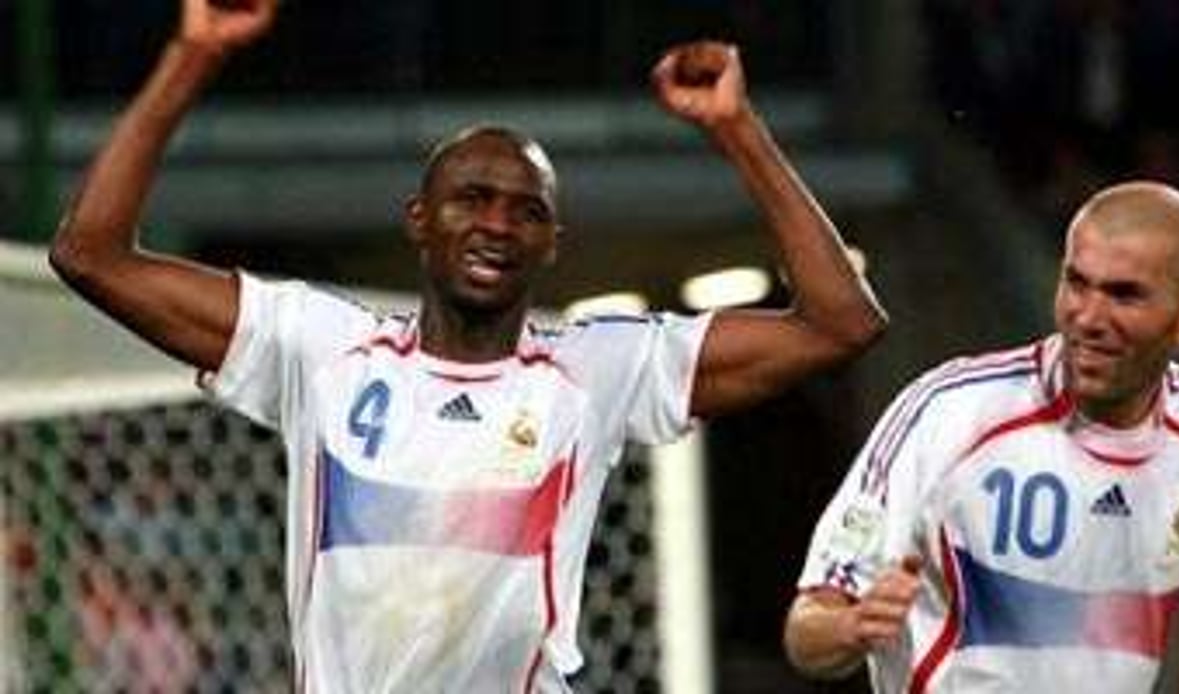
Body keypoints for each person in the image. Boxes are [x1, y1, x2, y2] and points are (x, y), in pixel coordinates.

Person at [49, 0, 887, 690]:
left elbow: (840, 322)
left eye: (526, 210)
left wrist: (736, 127)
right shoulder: (319, 348)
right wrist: (191, 56)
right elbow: (89, 256)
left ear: (550, 241)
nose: (496, 222)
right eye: (472, 198)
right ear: (419, 220)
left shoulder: (596, 369)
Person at [784, 180, 1179, 693]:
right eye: (1077, 284)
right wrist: (851, 628)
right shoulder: (950, 413)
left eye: (1124, 294)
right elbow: (806, 632)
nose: (1089, 318)